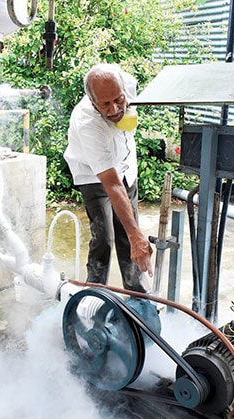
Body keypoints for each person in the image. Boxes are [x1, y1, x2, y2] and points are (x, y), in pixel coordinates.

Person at [63, 63, 153, 293]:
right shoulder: (88, 124)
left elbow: (121, 189)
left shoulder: (126, 84)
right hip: (93, 174)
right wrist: (136, 236)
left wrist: (134, 235)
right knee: (104, 237)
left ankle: (138, 294)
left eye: (118, 100)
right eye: (104, 104)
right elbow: (112, 185)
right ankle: (96, 294)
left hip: (125, 163)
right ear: (93, 102)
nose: (114, 109)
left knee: (129, 231)